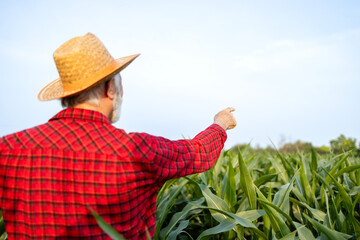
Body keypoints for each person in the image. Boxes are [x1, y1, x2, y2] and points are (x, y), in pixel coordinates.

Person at [0, 33, 237, 239]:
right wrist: (220, 124)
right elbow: (197, 153)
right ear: (110, 89)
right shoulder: (137, 150)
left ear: (66, 95)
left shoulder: (8, 149)